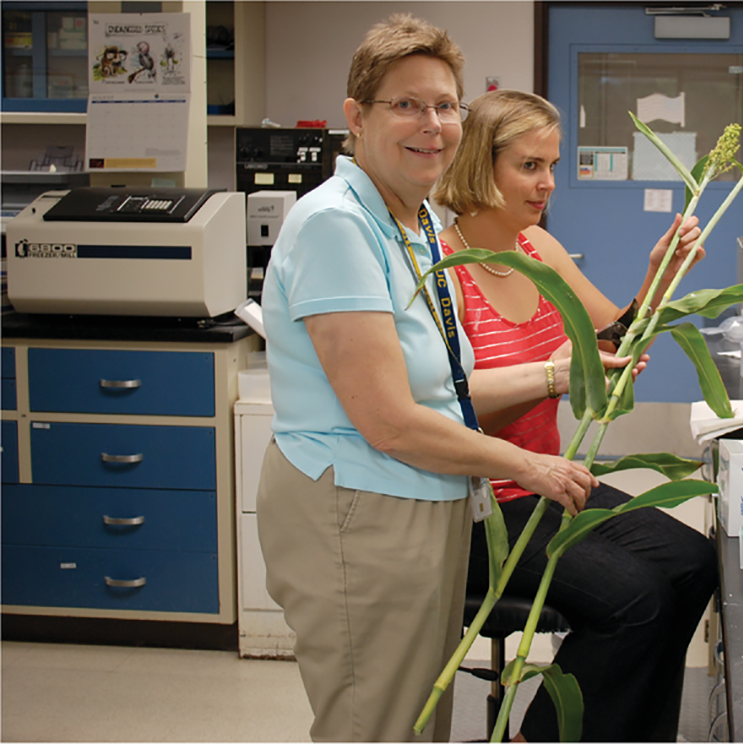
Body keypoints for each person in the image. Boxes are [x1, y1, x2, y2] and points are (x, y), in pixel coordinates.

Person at [256, 18, 598, 743]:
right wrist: (526, 463)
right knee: (376, 725)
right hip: (361, 511)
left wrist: (552, 376)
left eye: (446, 106)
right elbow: (389, 420)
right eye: (406, 105)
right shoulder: (336, 226)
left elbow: (447, 388)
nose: (433, 125)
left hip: (428, 500)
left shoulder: (409, 224)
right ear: (356, 116)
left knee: (419, 722)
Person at [432, 89, 719, 742]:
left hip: (550, 482)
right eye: (530, 166)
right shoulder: (445, 271)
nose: (547, 184)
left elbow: (613, 338)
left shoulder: (537, 249)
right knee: (634, 600)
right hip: (481, 506)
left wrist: (658, 277)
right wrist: (549, 375)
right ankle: (535, 736)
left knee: (692, 562)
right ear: (481, 165)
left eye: (552, 166)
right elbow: (444, 403)